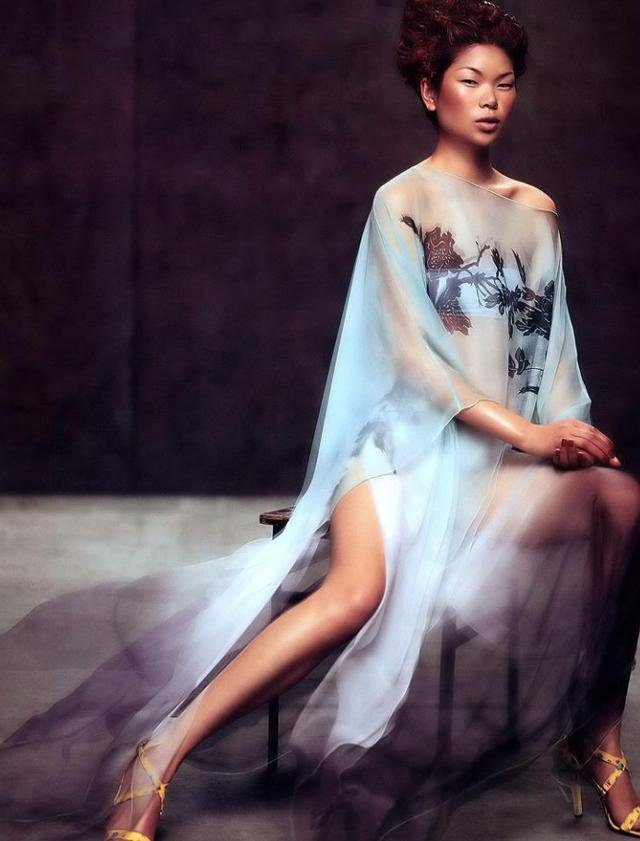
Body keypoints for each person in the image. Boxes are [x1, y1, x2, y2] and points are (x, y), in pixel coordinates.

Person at [1, 1, 639, 840]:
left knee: (622, 499)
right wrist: (527, 434)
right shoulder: (400, 201)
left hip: (500, 466)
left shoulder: (536, 211)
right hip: (402, 452)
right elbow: (414, 359)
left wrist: (567, 432)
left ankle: (595, 736)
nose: (490, 98)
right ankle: (160, 749)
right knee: (355, 591)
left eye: (506, 82)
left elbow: (553, 350)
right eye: (470, 80)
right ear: (430, 90)